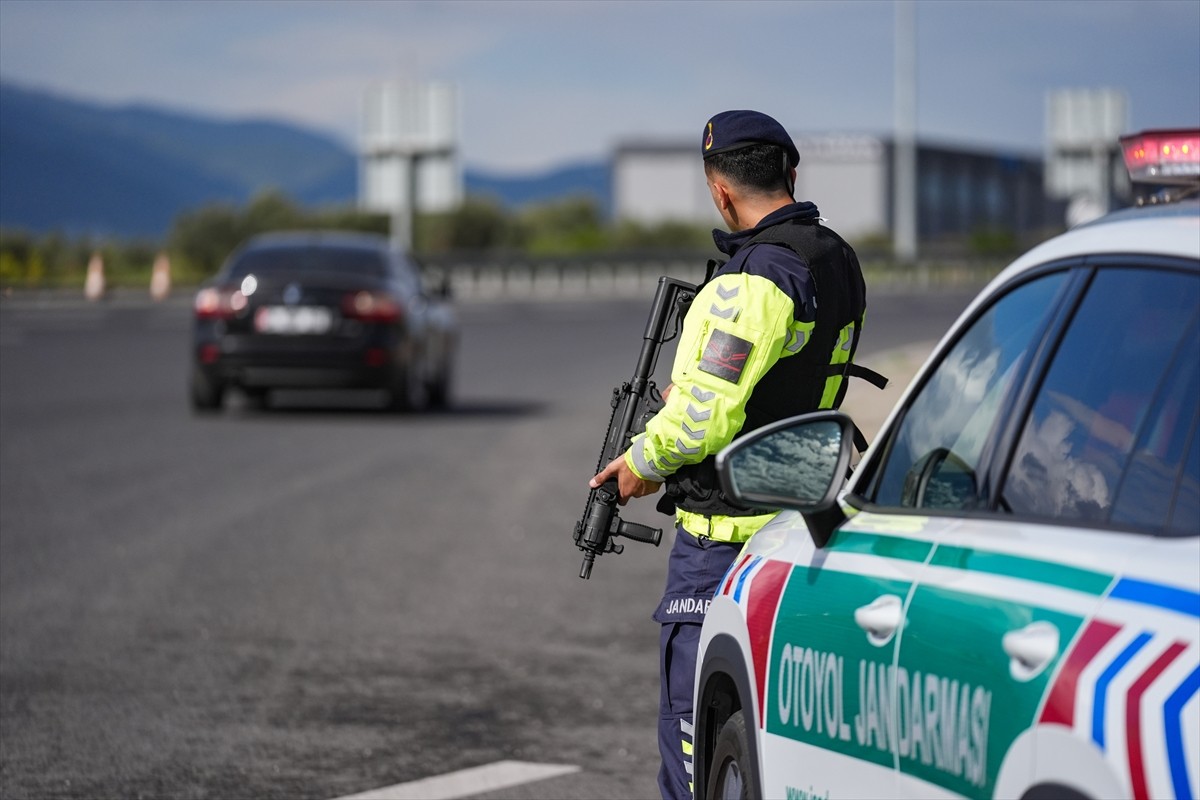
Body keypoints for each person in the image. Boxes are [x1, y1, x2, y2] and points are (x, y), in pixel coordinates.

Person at [590, 109, 873, 800]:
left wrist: (639, 465)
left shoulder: (753, 281)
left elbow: (700, 420)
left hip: (725, 547)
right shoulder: (834, 258)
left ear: (719, 190)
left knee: (699, 749)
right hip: (803, 530)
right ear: (791, 174)